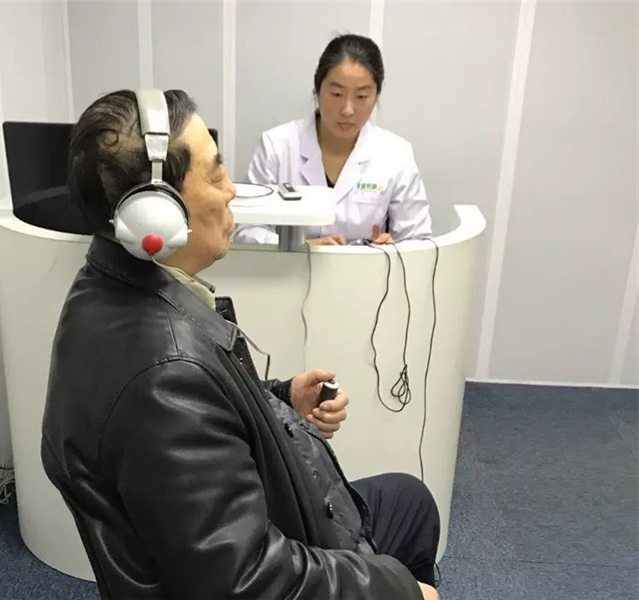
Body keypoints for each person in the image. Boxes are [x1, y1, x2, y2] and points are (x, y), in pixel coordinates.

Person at [41, 88, 440, 600]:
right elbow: (245, 581)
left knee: (409, 499)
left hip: (247, 530)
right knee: (408, 546)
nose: (231, 190)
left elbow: (204, 419)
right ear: (156, 213)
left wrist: (279, 397)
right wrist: (403, 592)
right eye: (215, 174)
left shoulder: (109, 286)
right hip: (263, 568)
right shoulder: (163, 379)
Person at [235, 33, 432, 247]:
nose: (348, 110)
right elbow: (247, 231)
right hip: (290, 268)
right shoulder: (277, 147)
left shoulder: (396, 154)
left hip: (367, 269)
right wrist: (300, 247)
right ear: (318, 89)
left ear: (376, 96)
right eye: (337, 94)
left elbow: (418, 241)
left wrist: (392, 249)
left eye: (362, 96)